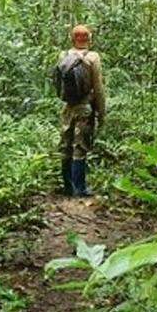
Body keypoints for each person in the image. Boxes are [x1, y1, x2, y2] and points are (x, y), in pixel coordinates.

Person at [56, 24, 105, 197]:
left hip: (67, 108)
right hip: (84, 108)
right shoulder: (93, 57)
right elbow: (98, 89)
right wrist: (101, 112)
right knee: (80, 146)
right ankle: (80, 188)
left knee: (66, 145)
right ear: (89, 39)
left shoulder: (63, 56)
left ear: (72, 38)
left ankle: (67, 187)